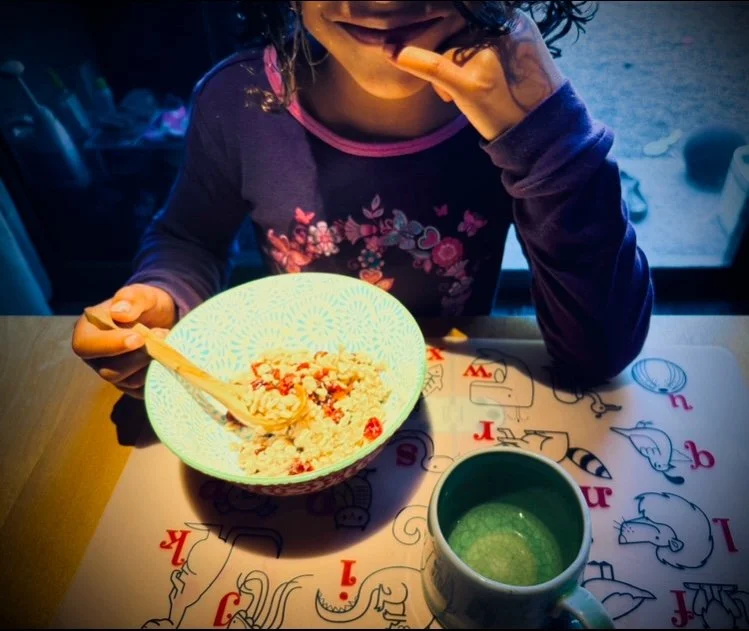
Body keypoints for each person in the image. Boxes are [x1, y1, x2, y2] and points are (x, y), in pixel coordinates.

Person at [72, 0, 653, 399]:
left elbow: (598, 353)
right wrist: (162, 295)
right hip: (303, 381)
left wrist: (550, 144)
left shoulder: (515, 111)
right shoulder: (237, 102)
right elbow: (189, 237)